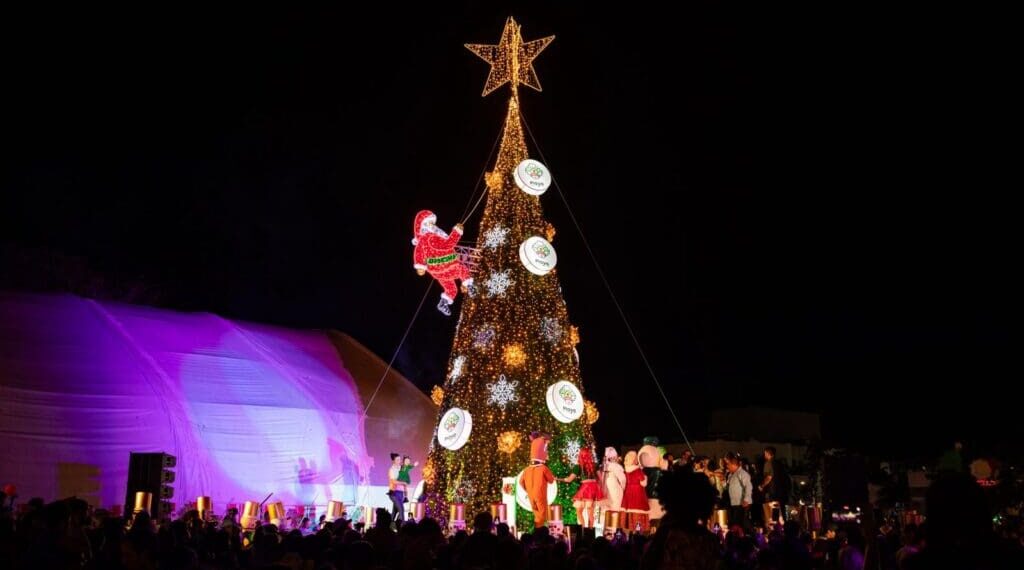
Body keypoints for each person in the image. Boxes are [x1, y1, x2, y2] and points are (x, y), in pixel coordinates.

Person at [521, 432, 557, 528]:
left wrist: (528, 490)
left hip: (531, 495)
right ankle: (540, 535)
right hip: (540, 495)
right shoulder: (543, 468)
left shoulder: (526, 470)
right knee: (542, 515)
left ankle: (537, 533)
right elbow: (551, 480)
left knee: (536, 515)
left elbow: (521, 482)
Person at [570, 447, 604, 528]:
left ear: (580, 455)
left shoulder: (578, 466)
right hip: (592, 488)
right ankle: (590, 530)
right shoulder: (594, 465)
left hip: (585, 488)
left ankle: (583, 529)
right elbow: (601, 478)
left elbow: (569, 479)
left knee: (579, 510)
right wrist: (597, 488)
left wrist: (557, 478)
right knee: (590, 511)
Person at [759, 446, 790, 526]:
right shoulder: (780, 464)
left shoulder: (768, 463)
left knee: (773, 513)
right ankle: (783, 528)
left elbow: (769, 477)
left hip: (773, 492)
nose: (764, 455)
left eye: (765, 453)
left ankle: (776, 530)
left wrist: (762, 486)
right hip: (781, 493)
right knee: (781, 513)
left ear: (768, 453)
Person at [622, 450, 650, 533]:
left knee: (631, 513)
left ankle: (631, 531)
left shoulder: (625, 470)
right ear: (634, 459)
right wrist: (645, 477)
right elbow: (643, 483)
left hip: (628, 492)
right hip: (638, 493)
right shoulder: (638, 470)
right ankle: (638, 532)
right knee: (638, 513)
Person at [724, 452, 753, 533]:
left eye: (728, 464)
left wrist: (746, 499)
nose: (727, 466)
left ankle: (748, 536)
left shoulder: (742, 474)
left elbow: (748, 486)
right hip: (734, 503)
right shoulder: (731, 475)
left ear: (734, 464)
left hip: (742, 503)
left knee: (743, 523)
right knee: (736, 523)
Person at [601, 447, 626, 515]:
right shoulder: (616, 466)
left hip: (606, 487)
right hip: (614, 486)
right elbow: (622, 479)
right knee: (615, 506)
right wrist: (623, 488)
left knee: (606, 507)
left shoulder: (604, 467)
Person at [387, 452, 406, 522]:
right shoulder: (392, 470)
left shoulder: (400, 468)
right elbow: (394, 481)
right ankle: (402, 527)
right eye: (397, 460)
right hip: (394, 493)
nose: (399, 461)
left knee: (394, 512)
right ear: (393, 461)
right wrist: (403, 482)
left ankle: (389, 527)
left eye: (399, 459)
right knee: (401, 509)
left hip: (400, 493)